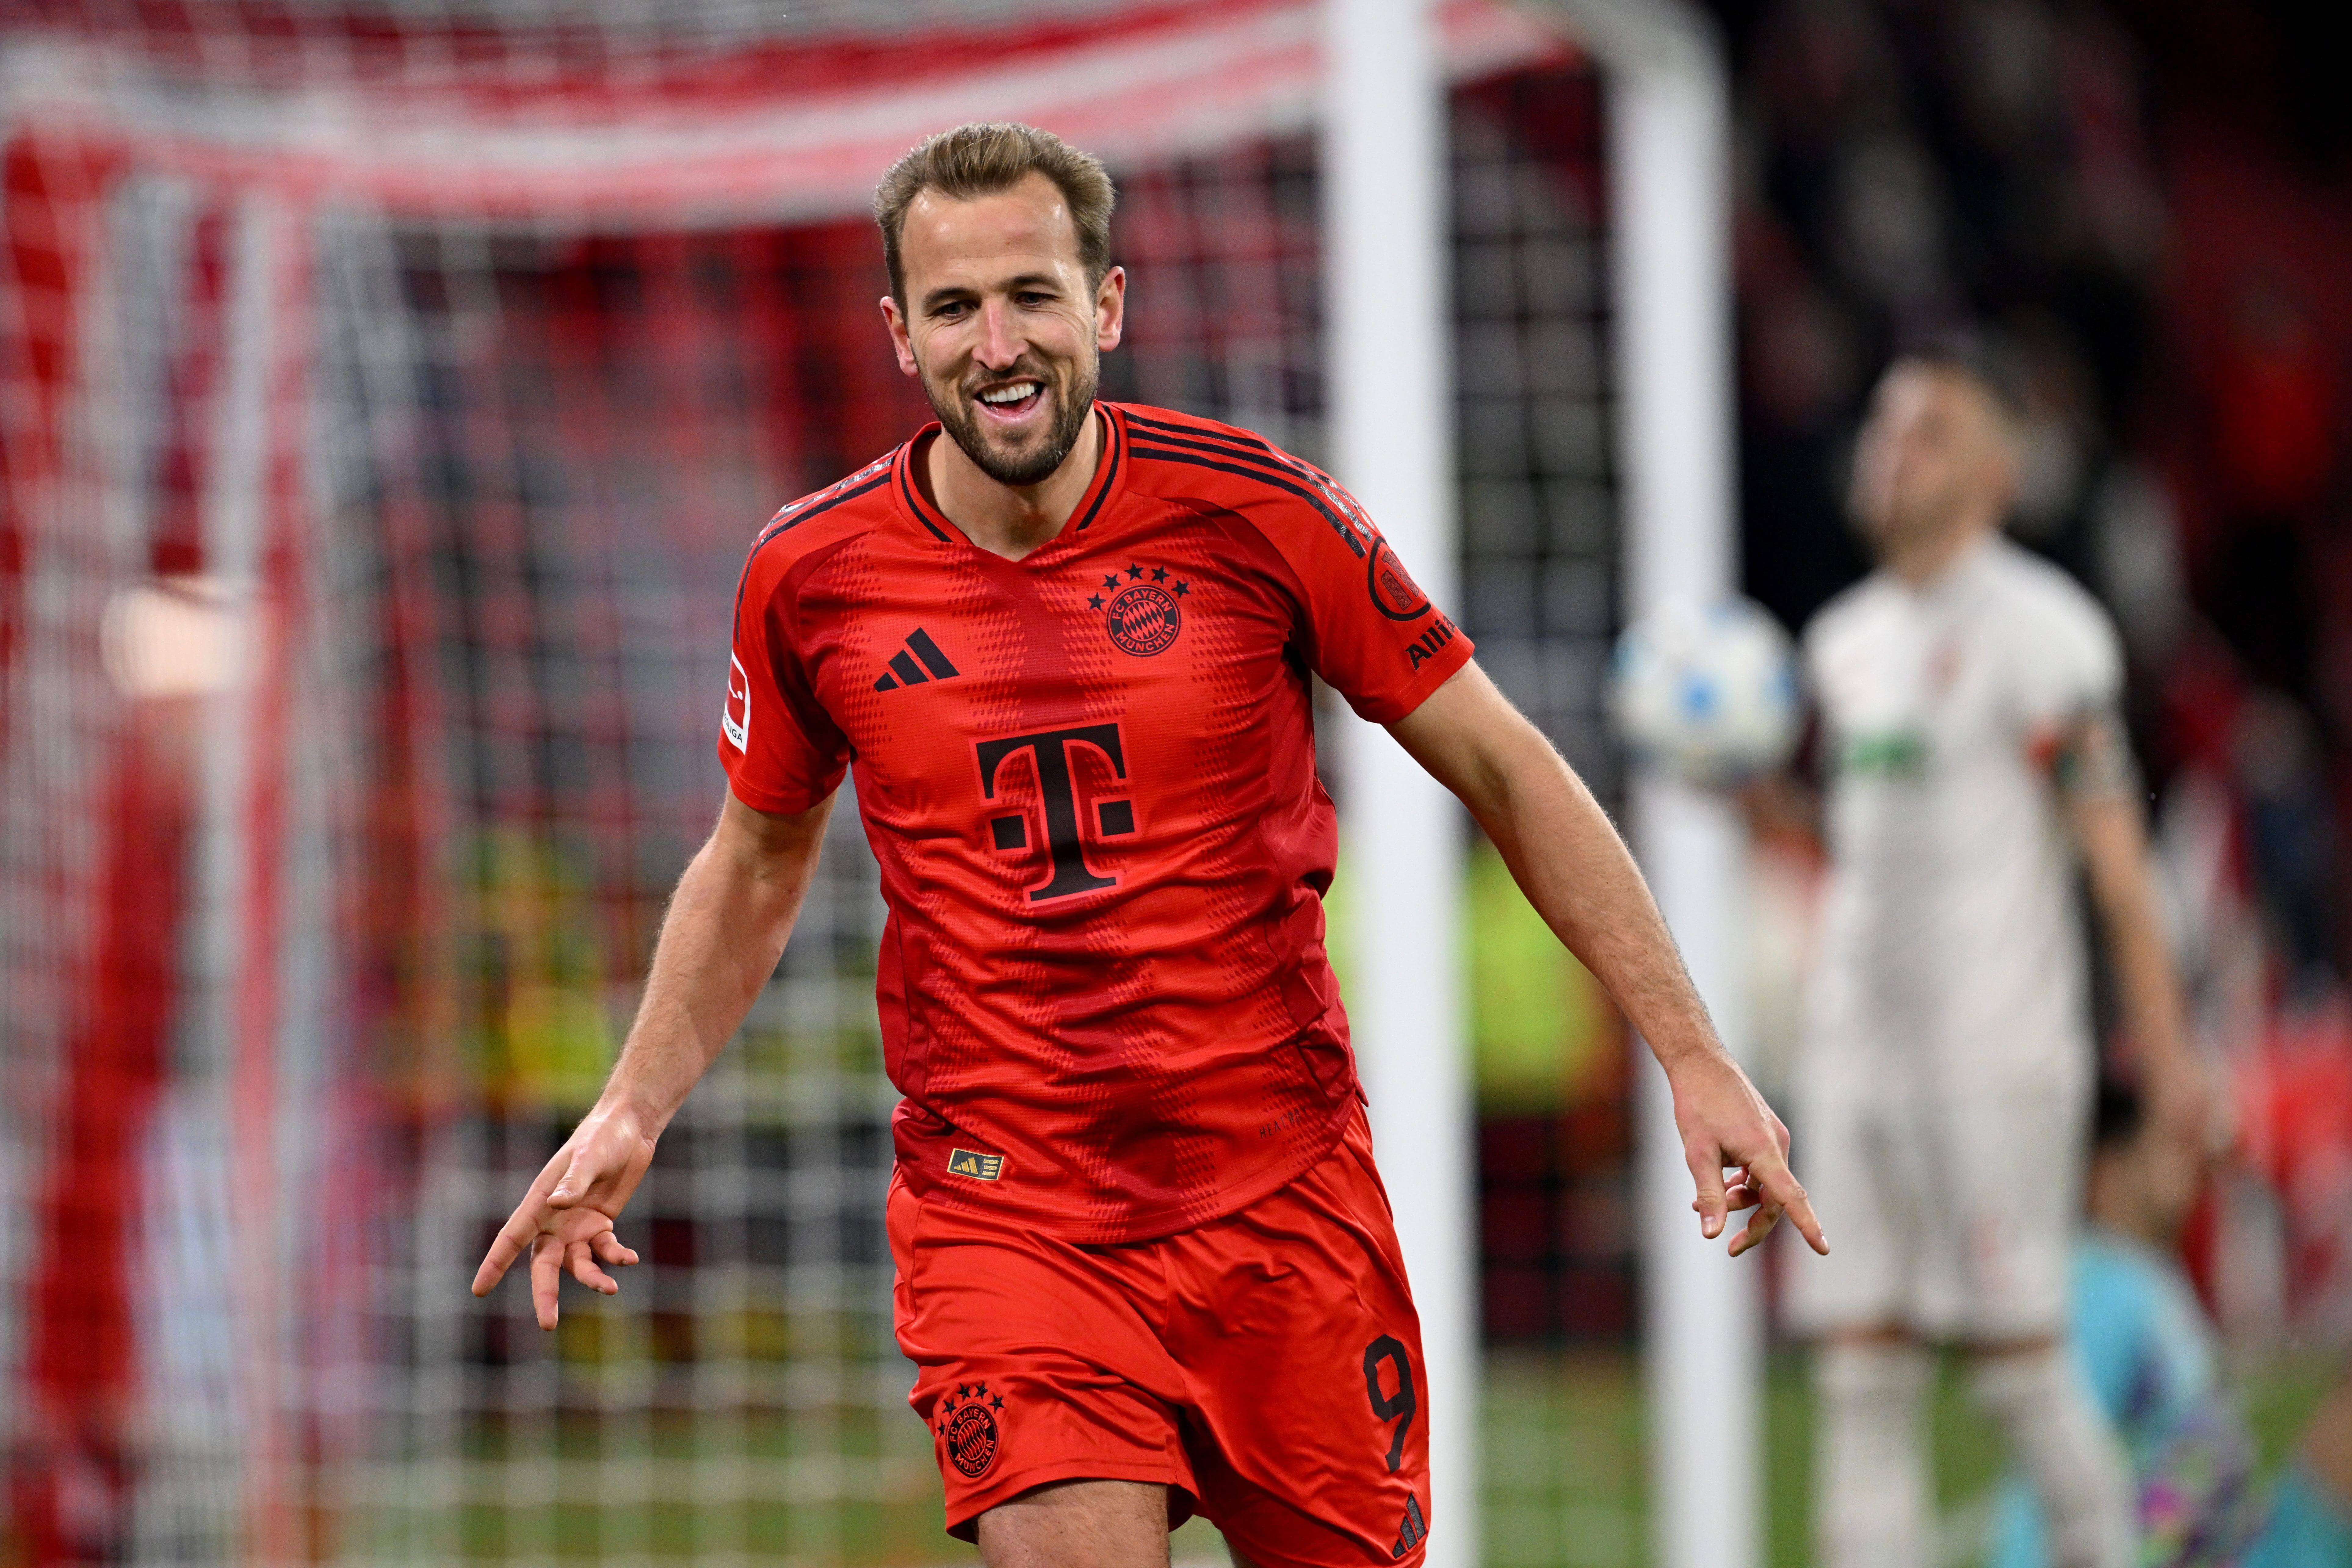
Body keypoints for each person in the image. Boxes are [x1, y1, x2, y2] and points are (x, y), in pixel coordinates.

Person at [470, 121, 1824, 1568]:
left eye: (1033, 296)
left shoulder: (1259, 515)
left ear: (1104, 304)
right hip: (1009, 1216)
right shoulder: (812, 577)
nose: (998, 344)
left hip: (1281, 1203)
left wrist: (1690, 1052)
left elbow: (1502, 764)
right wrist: (631, 1104)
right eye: (954, 307)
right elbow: (752, 859)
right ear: (898, 334)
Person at [1789, 346, 2207, 1568]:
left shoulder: (2045, 635)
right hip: (1855, 1049)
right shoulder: (1843, 643)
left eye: (1926, 429)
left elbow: (2117, 867)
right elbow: (1864, 852)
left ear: (1995, 471)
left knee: (2022, 1373)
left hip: (1995, 1055)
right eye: (1881, 424)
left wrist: (2174, 1069)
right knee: (1860, 1378)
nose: (1891, 448)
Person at [1990, 1081, 2352, 1568]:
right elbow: (2056, 1471)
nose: (2191, 1160)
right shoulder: (2098, 1287)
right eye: (2164, 1145)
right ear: (2107, 1170)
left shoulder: (2142, 1279)